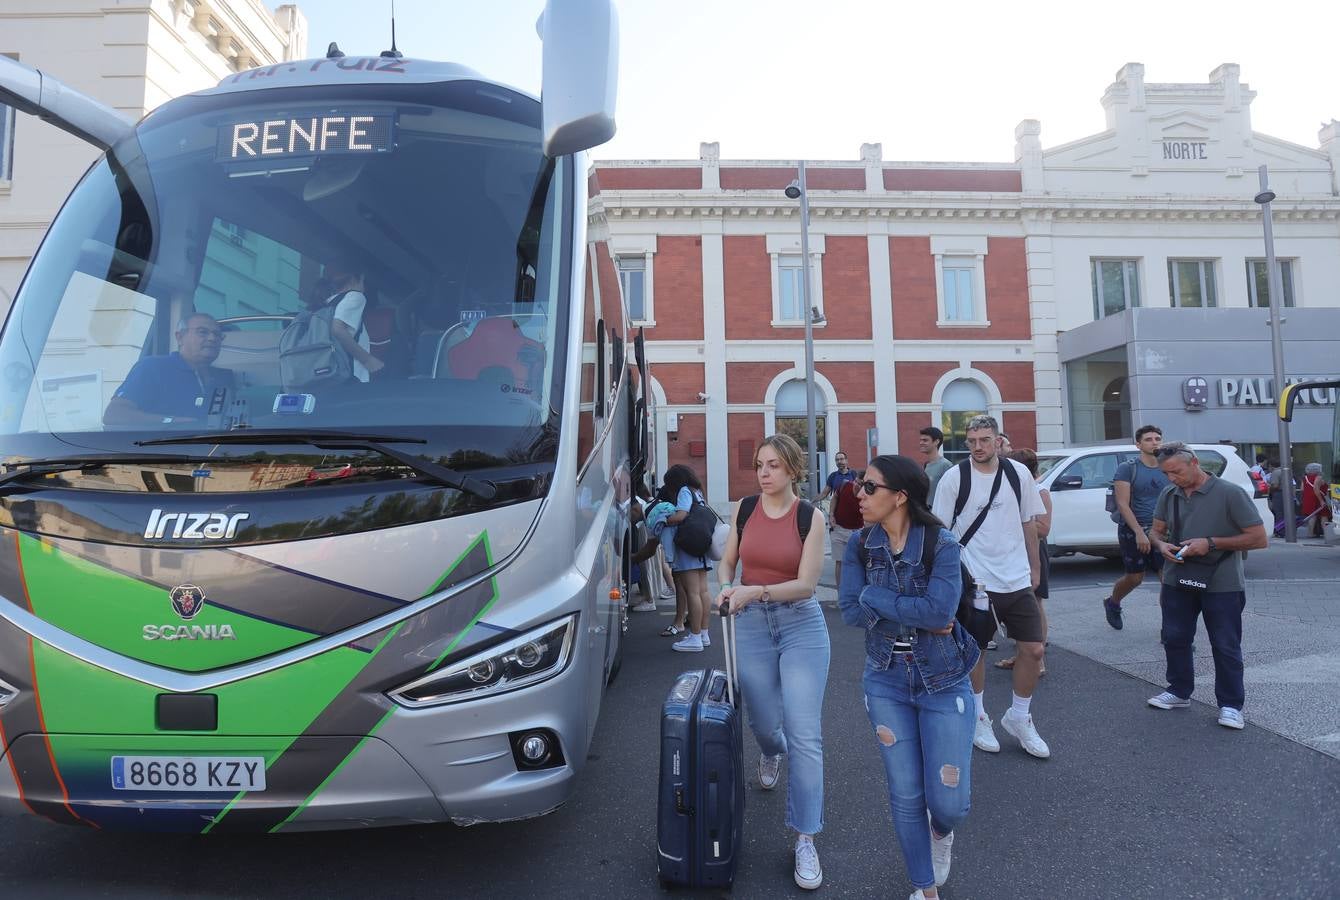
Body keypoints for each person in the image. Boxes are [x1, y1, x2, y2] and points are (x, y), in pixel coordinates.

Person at [839, 455, 978, 900]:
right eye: (861, 484)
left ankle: (942, 832)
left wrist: (874, 595)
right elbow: (848, 611)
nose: (859, 494)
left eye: (870, 487)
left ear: (900, 496)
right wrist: (899, 606)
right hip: (886, 679)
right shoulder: (860, 545)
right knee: (904, 793)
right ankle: (924, 888)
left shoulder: (942, 543)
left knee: (948, 804)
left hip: (944, 679)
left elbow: (942, 612)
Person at [715, 434, 829, 890]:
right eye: (760, 465)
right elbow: (727, 564)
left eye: (774, 466)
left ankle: (805, 837)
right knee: (763, 723)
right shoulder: (743, 509)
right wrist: (726, 587)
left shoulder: (810, 517)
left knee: (806, 736)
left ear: (792, 470)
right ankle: (769, 750)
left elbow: (805, 586)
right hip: (750, 625)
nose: (764, 473)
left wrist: (753, 590)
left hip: (801, 626)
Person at [931, 414, 1049, 759]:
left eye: (984, 440)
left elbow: (1030, 523)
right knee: (976, 651)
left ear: (998, 440)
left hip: (1016, 577)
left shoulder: (1019, 473)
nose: (978, 447)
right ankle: (979, 716)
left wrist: (1034, 569)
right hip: (975, 579)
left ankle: (1019, 717)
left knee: (1034, 650)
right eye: (971, 441)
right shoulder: (956, 478)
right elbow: (940, 531)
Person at [1147, 442, 1267, 730]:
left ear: (1194, 462)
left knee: (1225, 644)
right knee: (1174, 637)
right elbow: (1155, 530)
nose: (1172, 478)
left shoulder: (1230, 493)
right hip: (1177, 577)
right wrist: (1161, 544)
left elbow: (1259, 538)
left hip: (1222, 582)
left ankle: (1230, 705)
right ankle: (1178, 691)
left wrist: (1210, 543)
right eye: (1166, 473)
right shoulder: (1169, 493)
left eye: (1176, 471)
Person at [104, 313, 236, 427]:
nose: (212, 338)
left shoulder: (224, 377)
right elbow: (114, 414)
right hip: (165, 450)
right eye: (203, 332)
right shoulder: (152, 367)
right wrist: (172, 422)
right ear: (180, 337)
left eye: (217, 334)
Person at [1102, 425, 1172, 630]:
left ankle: (1170, 628)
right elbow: (1123, 504)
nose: (1154, 442)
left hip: (1163, 531)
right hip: (1134, 529)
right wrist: (1140, 533)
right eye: (1149, 439)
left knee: (1168, 580)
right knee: (1135, 577)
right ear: (1138, 444)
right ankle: (1113, 602)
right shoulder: (1128, 468)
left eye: (1158, 438)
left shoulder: (1168, 466)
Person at [997, 448, 1050, 677]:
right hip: (1011, 551)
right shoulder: (1009, 491)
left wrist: (1015, 520)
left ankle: (1038, 661)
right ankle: (1020, 655)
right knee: (1016, 606)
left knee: (1034, 604)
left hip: (1034, 551)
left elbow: (1044, 528)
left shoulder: (1040, 491)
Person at [660, 465, 714, 652]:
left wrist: (663, 520)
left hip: (688, 546)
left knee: (692, 592)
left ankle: (695, 637)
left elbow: (681, 515)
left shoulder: (683, 491)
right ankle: (704, 634)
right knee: (703, 591)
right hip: (701, 546)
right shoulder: (697, 491)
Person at [318, 264, 384, 383]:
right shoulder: (355, 296)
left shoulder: (328, 302)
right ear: (356, 279)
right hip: (350, 376)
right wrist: (368, 360)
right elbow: (338, 329)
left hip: (329, 373)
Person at [828, 468, 866, 588]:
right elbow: (834, 498)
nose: (855, 485)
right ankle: (840, 594)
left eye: (860, 484)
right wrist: (831, 514)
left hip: (857, 532)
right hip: (839, 528)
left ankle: (856, 591)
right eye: (855, 481)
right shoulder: (845, 485)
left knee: (857, 563)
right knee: (840, 562)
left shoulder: (867, 495)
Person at [919, 426, 953, 501]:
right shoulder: (926, 465)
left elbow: (951, 492)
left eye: (925, 440)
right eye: (920, 440)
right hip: (927, 511)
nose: (921, 443)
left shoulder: (945, 465)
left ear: (936, 442)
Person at [1301, 462, 1332, 538]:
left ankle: (1310, 533)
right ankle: (1326, 534)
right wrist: (1321, 501)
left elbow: (1302, 489)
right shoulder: (1318, 477)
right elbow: (1316, 489)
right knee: (1324, 515)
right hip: (1318, 498)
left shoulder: (1305, 478)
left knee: (1312, 516)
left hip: (1308, 498)